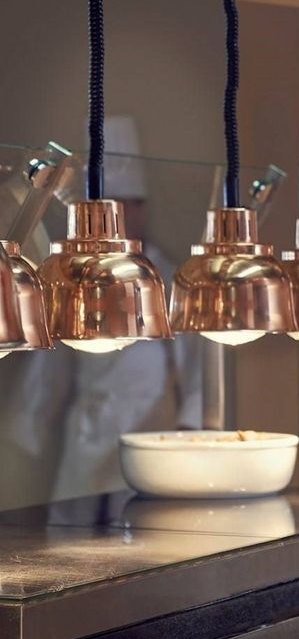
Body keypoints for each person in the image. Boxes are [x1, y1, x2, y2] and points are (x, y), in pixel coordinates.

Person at [51, 115, 202, 500]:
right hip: (87, 438)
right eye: (105, 209)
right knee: (73, 529)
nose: (111, 221)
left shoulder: (167, 279)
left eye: (121, 208)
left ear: (141, 209)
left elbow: (196, 372)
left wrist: (189, 433)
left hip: (149, 440)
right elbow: (49, 358)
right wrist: (24, 428)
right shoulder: (75, 276)